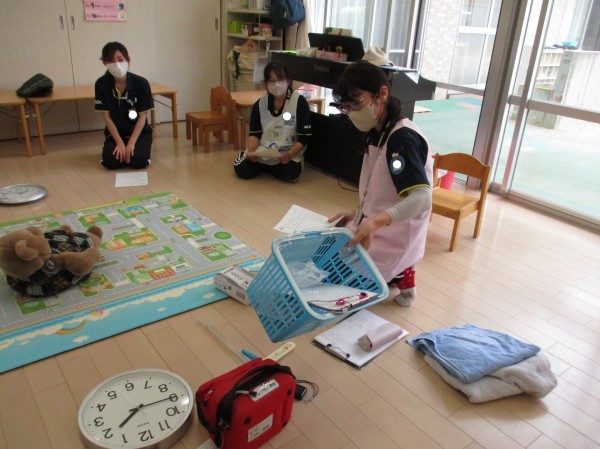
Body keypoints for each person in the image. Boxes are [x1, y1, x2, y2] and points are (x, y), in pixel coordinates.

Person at [329, 61, 433, 307]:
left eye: (356, 103)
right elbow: (380, 190)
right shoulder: (378, 131)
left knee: (331, 278)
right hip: (378, 226)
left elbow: (422, 197)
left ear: (381, 95)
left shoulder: (401, 139)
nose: (351, 112)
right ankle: (401, 275)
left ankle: (399, 273)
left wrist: (374, 221)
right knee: (329, 250)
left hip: (393, 235)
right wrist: (357, 213)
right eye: (345, 107)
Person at [233, 61, 311, 182]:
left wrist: (289, 154)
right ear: (266, 84)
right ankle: (268, 167)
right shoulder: (260, 104)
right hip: (263, 152)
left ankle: (269, 168)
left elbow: (303, 138)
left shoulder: (299, 102)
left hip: (287, 153)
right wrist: (252, 150)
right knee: (241, 169)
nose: (276, 84)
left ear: (288, 80)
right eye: (271, 81)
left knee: (291, 172)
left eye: (280, 79)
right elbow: (254, 134)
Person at [95, 42, 154, 169]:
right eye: (111, 61)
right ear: (105, 63)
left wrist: (131, 143)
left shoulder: (141, 83)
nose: (117, 64)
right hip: (117, 134)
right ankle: (119, 149)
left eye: (120, 59)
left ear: (128, 60)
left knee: (138, 161)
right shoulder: (101, 84)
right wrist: (120, 143)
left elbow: (142, 117)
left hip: (139, 133)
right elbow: (107, 118)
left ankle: (138, 147)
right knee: (111, 162)